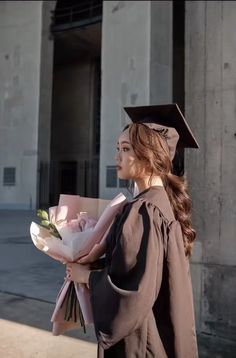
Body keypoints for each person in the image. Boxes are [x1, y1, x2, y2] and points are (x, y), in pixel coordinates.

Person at [66, 104, 199, 358]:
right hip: (160, 334)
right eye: (118, 148)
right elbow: (140, 271)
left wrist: (86, 276)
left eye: (125, 149)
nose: (117, 156)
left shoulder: (145, 210)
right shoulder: (160, 202)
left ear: (149, 155)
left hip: (141, 343)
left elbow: (131, 292)